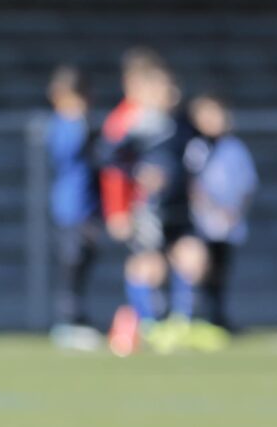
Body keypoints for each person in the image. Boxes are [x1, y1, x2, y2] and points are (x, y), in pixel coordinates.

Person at [103, 50, 211, 356]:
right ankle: (146, 324)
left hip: (180, 210)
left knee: (194, 258)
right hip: (150, 211)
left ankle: (181, 324)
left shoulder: (181, 121)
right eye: (166, 87)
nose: (173, 93)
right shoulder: (135, 124)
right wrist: (123, 201)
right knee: (149, 267)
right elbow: (108, 159)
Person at [183, 94, 256, 337]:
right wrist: (212, 208)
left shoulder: (235, 148)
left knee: (221, 271)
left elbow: (247, 184)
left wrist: (235, 212)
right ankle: (194, 317)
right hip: (203, 222)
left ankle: (217, 316)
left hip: (228, 223)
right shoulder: (197, 147)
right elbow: (193, 185)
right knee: (200, 269)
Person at [44, 66, 104, 351]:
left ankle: (79, 316)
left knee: (85, 261)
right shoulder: (63, 126)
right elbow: (64, 153)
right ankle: (68, 320)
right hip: (70, 208)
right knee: (72, 261)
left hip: (90, 207)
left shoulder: (88, 125)